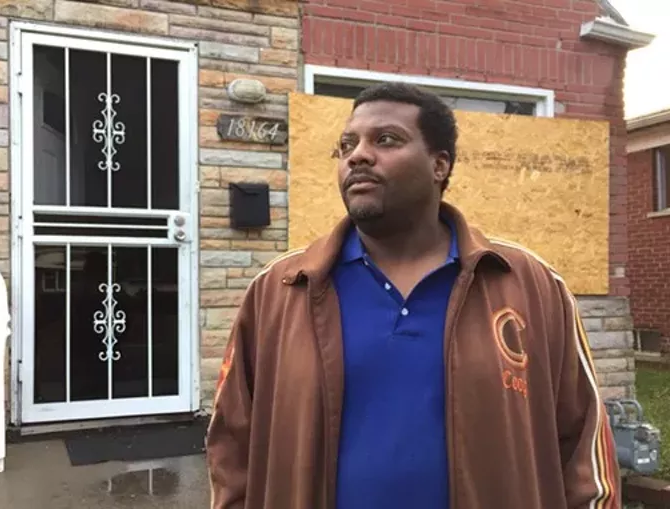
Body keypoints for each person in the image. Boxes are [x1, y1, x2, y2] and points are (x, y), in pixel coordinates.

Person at [205, 82, 621, 509]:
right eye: (347, 144)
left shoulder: (530, 285)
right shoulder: (281, 290)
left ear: (439, 165)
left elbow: (584, 444)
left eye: (386, 140)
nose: (358, 155)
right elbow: (231, 446)